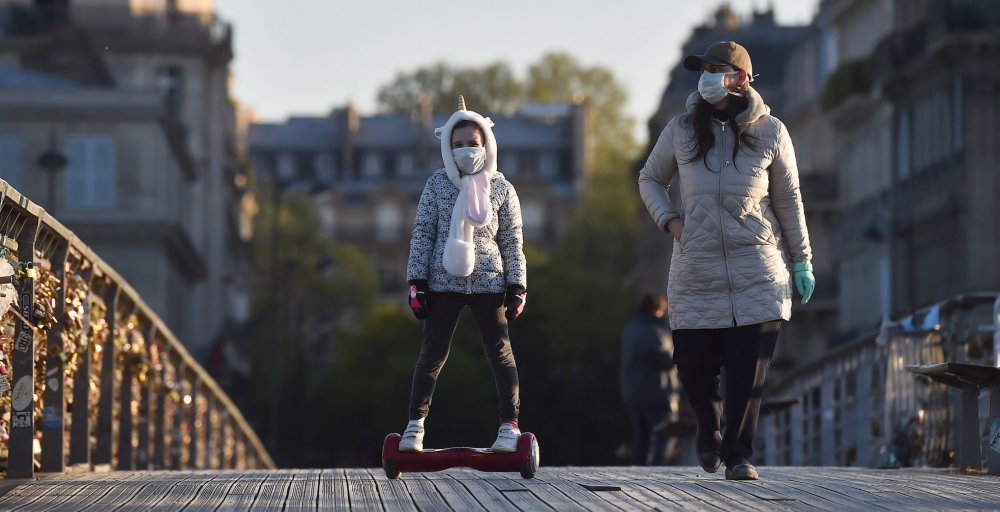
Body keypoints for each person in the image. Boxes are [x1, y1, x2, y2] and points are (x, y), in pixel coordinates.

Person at [637, 41, 815, 480]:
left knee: (745, 374)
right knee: (693, 367)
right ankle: (709, 427)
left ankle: (737, 455)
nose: (708, 76)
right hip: (696, 270)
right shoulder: (680, 129)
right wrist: (672, 223)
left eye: (718, 68)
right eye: (705, 69)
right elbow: (650, 178)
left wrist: (801, 260)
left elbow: (789, 201)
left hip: (758, 270)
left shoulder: (771, 131)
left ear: (742, 78)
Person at [400, 96, 528, 453]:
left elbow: (512, 239)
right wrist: (416, 282)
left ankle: (509, 425)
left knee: (500, 352)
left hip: (490, 281)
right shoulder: (437, 185)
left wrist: (518, 285)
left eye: (473, 144)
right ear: (445, 147)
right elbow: (423, 233)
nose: (466, 151)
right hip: (443, 280)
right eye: (457, 146)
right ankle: (415, 426)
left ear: (487, 144)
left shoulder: (502, 187)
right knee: (433, 353)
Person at [620, 293, 678, 466]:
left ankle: (637, 473)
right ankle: (659, 474)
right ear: (659, 309)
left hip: (633, 394)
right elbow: (665, 362)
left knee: (641, 440)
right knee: (664, 437)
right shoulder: (654, 331)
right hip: (657, 394)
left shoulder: (630, 329)